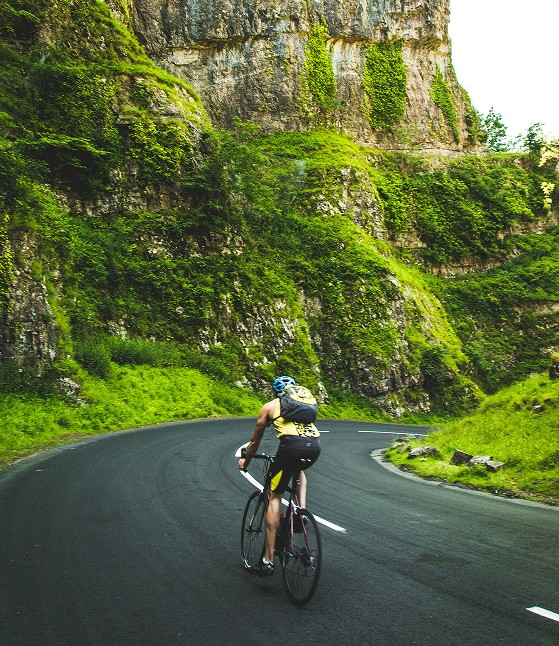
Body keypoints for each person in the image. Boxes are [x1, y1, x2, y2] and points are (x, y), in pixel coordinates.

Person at [237, 375, 321, 576]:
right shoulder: (302, 406)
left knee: (275, 496)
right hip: (314, 447)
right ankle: (300, 512)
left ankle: (267, 560)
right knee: (297, 470)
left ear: (276, 392)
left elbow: (254, 443)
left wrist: (244, 463)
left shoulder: (270, 406)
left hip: (291, 447)